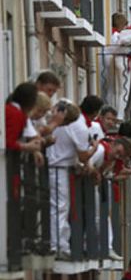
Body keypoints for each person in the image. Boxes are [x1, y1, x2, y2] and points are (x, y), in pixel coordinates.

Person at [48, 95, 102, 257]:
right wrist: (95, 148)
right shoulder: (79, 126)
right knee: (60, 207)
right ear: (94, 113)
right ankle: (58, 244)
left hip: (54, 165)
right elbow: (83, 156)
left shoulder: (67, 114)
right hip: (60, 167)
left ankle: (58, 243)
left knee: (58, 207)